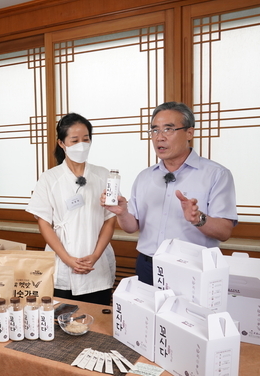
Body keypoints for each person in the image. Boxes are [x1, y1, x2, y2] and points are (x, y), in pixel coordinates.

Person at [102, 102, 237, 285]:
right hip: (147, 265)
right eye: (155, 130)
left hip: (193, 268)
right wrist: (122, 212)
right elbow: (132, 227)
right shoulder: (144, 177)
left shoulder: (216, 174)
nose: (160, 137)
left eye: (168, 129)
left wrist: (198, 218)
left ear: (189, 133)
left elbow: (224, 232)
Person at [26, 113, 116, 305]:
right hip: (62, 264)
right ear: (61, 143)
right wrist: (67, 259)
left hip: (97, 266)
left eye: (86, 139)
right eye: (74, 140)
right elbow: (44, 223)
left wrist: (95, 256)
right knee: (61, 319)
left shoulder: (103, 175)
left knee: (98, 319)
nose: (81, 145)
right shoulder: (50, 178)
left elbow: (110, 219)